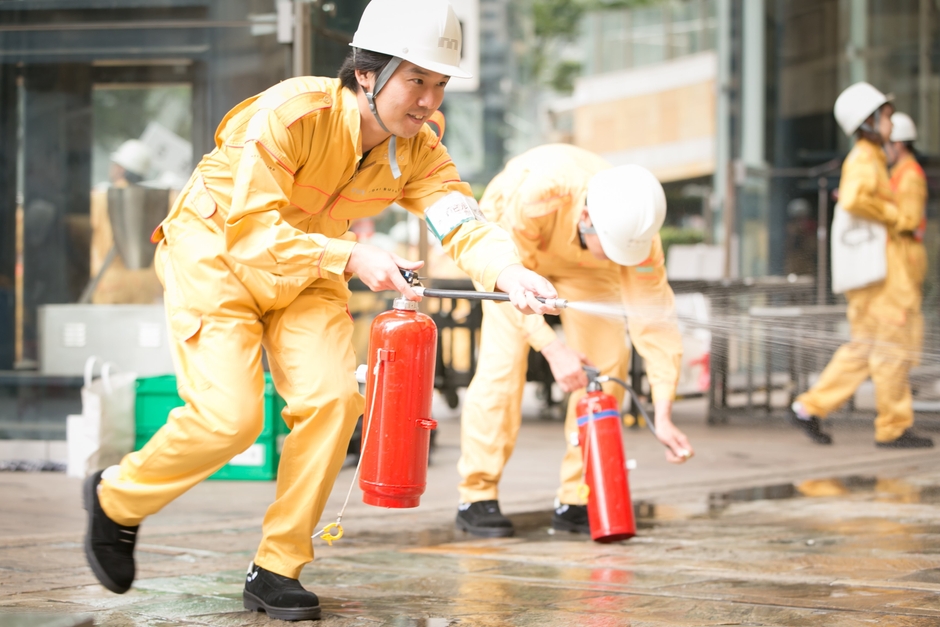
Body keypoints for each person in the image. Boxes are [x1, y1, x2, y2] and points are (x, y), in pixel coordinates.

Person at [81, 0, 559, 621]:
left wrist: (510, 272)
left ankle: (277, 566)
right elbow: (249, 232)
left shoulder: (419, 150)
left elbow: (462, 222)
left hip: (310, 270)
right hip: (217, 257)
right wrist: (353, 255)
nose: (428, 101)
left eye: (440, 84)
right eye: (416, 80)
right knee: (231, 420)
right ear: (366, 73)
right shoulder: (290, 114)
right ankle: (117, 500)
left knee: (334, 403)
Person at [454, 144, 694, 538]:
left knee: (606, 365)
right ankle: (477, 496)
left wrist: (664, 412)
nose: (621, 257)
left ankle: (577, 498)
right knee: (503, 367)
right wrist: (552, 348)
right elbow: (503, 277)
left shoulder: (637, 233)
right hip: (513, 259)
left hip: (586, 268)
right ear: (586, 218)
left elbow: (656, 322)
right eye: (614, 249)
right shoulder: (536, 196)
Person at [789, 84, 933, 449]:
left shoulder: (869, 159)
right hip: (885, 278)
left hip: (877, 275)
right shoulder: (868, 158)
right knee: (891, 350)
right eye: (885, 116)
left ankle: (808, 407)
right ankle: (893, 427)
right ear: (868, 121)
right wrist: (894, 214)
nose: (889, 124)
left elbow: (857, 200)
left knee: (863, 348)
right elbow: (858, 200)